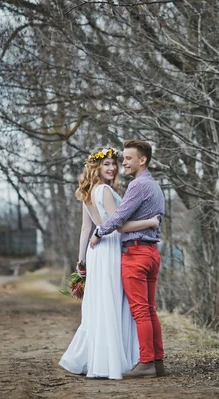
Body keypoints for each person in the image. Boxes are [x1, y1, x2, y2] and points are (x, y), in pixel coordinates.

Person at [59, 147, 159, 380]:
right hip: (111, 247)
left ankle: (98, 357)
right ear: (96, 167)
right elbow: (119, 225)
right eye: (107, 165)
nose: (113, 168)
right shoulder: (103, 190)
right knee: (116, 303)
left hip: (97, 251)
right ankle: (117, 359)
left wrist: (81, 261)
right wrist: (150, 222)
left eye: (114, 163)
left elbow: (86, 229)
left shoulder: (87, 191)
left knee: (103, 303)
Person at [89, 140, 165, 378]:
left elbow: (118, 219)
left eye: (128, 158)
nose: (124, 163)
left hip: (136, 253)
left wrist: (98, 232)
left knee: (140, 312)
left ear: (142, 160)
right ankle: (158, 362)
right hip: (152, 253)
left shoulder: (137, 185)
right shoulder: (155, 186)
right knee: (150, 310)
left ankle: (146, 363)